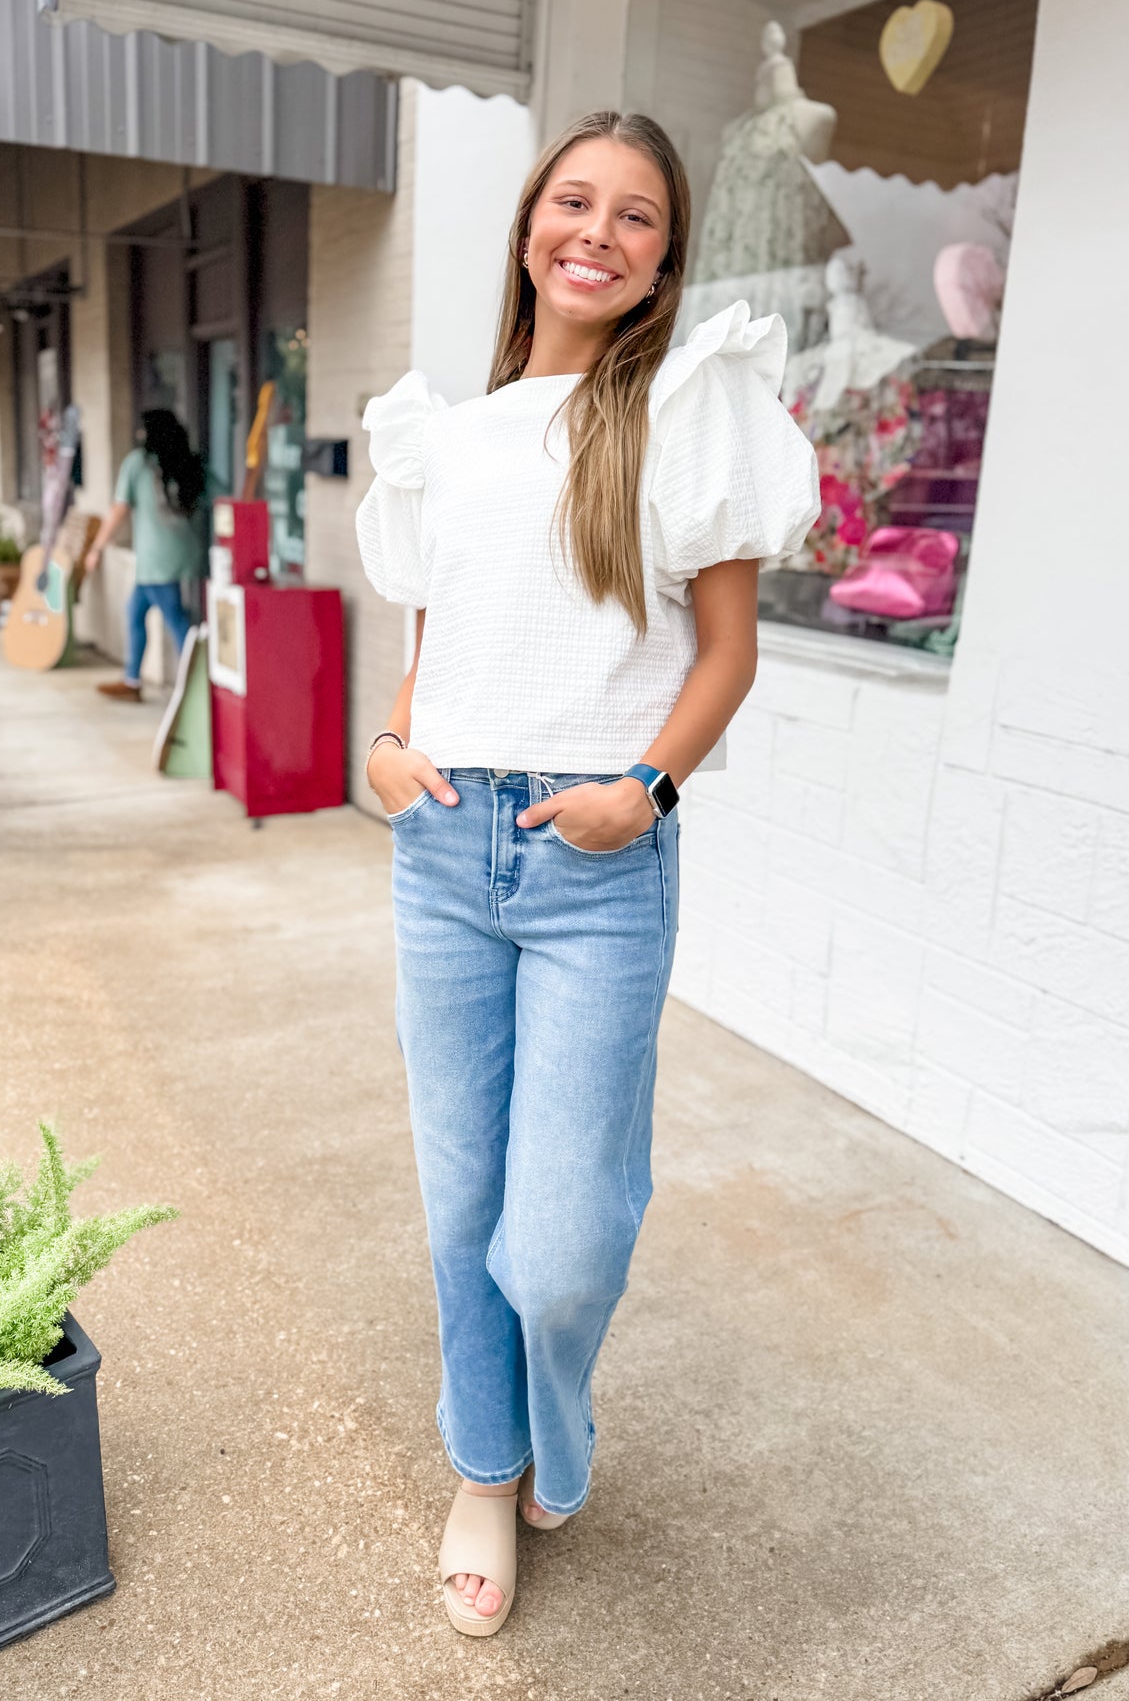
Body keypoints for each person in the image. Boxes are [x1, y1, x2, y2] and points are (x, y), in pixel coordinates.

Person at [354, 111, 821, 1637]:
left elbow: (731, 647)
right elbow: (441, 644)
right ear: (528, 225)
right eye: (573, 200)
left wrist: (646, 786)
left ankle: (559, 1417)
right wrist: (388, 743)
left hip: (593, 861)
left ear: (664, 255)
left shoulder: (690, 405)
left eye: (635, 215)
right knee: (457, 1201)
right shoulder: (454, 430)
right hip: (442, 846)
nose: (597, 232)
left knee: (554, 1235)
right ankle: (486, 1466)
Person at [87, 408, 207, 701]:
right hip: (187, 553)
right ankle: (132, 680)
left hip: (156, 559)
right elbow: (217, 496)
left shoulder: (138, 463)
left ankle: (197, 685)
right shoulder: (188, 462)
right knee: (135, 612)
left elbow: (119, 508)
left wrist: (97, 547)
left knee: (177, 621)